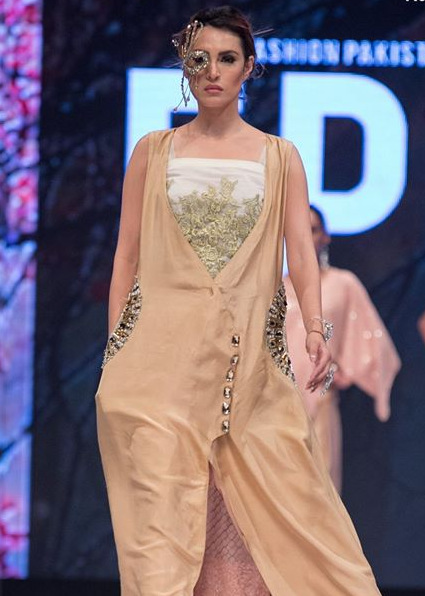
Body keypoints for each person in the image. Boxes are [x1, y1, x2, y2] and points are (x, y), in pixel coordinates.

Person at [95, 6, 382, 595]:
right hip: (157, 371)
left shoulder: (279, 156)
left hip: (246, 374)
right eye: (200, 58)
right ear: (185, 64)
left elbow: (300, 255)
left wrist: (314, 330)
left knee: (284, 521)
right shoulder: (153, 151)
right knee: (159, 537)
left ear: (249, 67)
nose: (212, 72)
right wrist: (116, 349)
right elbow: (126, 256)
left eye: (227, 59)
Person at [284, 205, 402, 491]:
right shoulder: (273, 286)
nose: (305, 237)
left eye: (312, 230)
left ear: (325, 236)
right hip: (276, 401)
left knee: (318, 487)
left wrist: (341, 373)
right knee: (278, 489)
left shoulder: (342, 283)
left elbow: (372, 339)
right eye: (297, 230)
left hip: (319, 398)